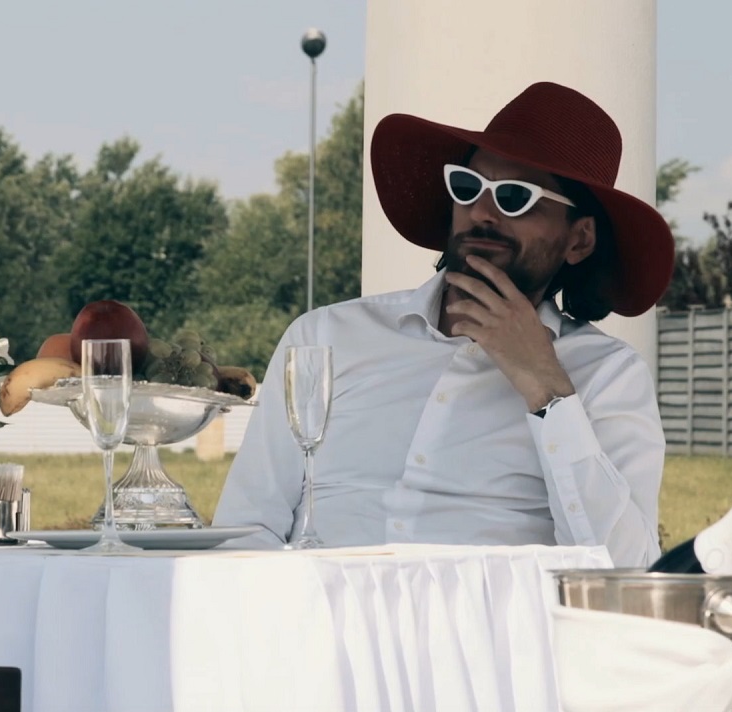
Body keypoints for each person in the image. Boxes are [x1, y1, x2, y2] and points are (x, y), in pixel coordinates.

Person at [212, 82, 675, 567]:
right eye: (468, 187)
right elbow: (247, 526)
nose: (482, 212)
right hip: (321, 609)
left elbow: (627, 566)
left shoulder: (608, 374)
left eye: (514, 196)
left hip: (486, 616)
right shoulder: (325, 337)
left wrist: (547, 388)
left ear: (578, 240)